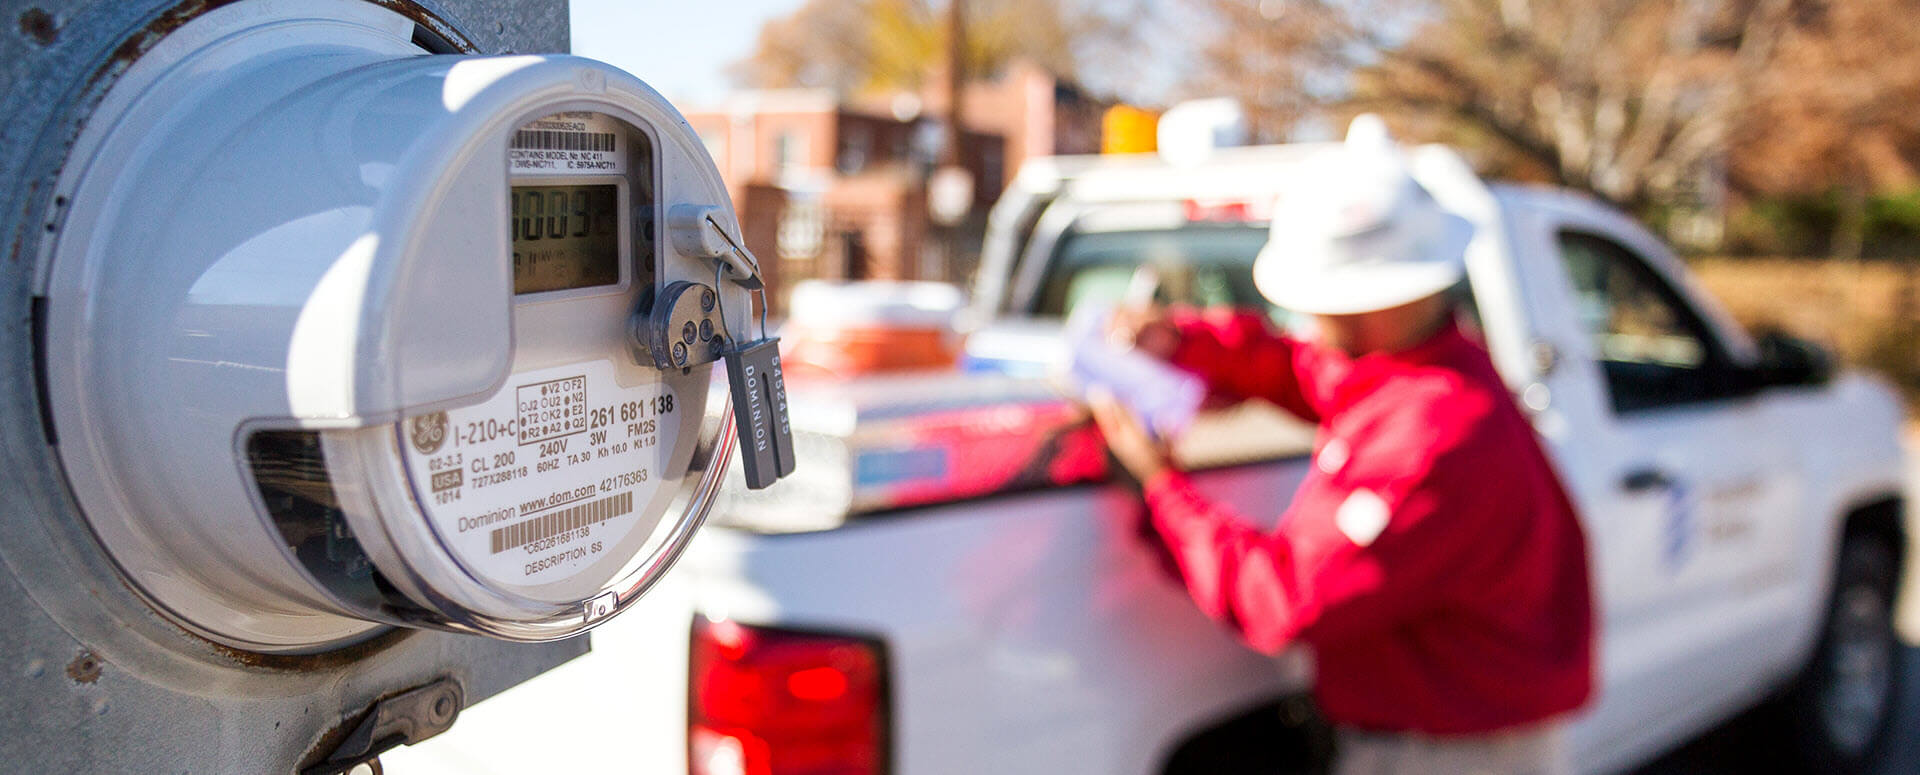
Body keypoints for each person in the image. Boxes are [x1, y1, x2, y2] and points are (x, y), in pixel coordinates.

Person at [1088, 140, 1595, 775]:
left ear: (1369, 304)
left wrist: (1160, 488)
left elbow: (1284, 598)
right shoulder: (1424, 367)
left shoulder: (1435, 438)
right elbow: (1310, 372)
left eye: (1315, 302)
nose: (1305, 319)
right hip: (1450, 734)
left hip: (1449, 757)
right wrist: (1185, 343)